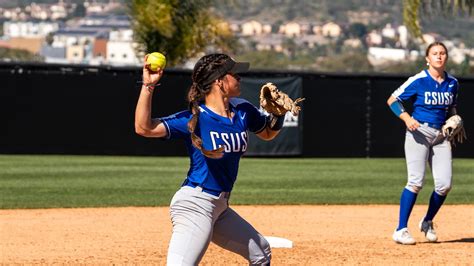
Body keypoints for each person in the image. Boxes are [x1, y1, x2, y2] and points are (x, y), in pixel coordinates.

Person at [135, 53, 284, 265]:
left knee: (261, 252)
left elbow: (267, 133)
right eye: (234, 74)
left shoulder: (242, 110)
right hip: (195, 204)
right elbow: (144, 128)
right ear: (219, 81)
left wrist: (278, 116)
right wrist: (148, 86)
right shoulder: (195, 117)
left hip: (220, 207)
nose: (240, 78)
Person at [387, 42, 460, 245]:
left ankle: (427, 221)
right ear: (427, 59)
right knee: (416, 181)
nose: (439, 56)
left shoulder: (453, 83)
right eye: (434, 53)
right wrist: (407, 118)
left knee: (444, 185)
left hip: (441, 135)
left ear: (446, 57)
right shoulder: (419, 79)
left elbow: (451, 109)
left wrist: (455, 119)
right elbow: (392, 100)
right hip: (418, 132)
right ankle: (400, 229)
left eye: (442, 53)